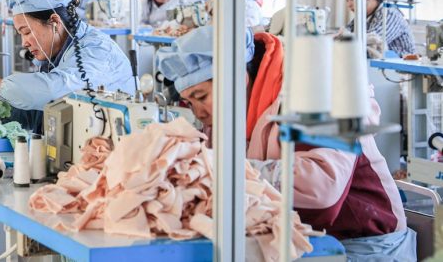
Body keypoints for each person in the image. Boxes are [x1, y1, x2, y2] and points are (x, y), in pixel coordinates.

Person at [156, 26, 414, 261]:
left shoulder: (315, 92)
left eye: (201, 97)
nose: (198, 113)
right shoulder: (231, 110)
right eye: (190, 102)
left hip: (363, 244)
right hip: (301, 237)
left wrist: (214, 171)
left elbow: (322, 192)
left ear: (236, 78)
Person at [0, 0, 136, 132]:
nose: (24, 43)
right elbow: (38, 112)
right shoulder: (56, 53)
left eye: (26, 32)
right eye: (20, 34)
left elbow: (53, 91)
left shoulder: (97, 50)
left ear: (54, 21)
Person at [339, 0, 416, 57]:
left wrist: (342, 37)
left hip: (401, 67)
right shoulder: (363, 17)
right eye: (347, 0)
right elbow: (344, 34)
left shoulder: (389, 13)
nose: (349, 4)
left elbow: (373, 41)